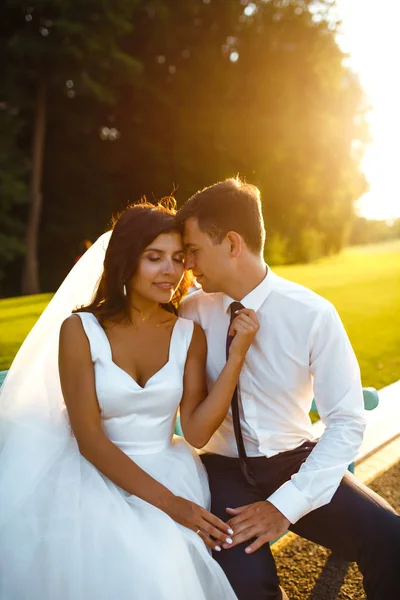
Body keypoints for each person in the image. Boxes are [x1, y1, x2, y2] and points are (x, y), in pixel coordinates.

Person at [0, 200, 261, 599]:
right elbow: (89, 438)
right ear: (126, 260)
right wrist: (174, 506)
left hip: (170, 469)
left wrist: (236, 356)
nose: (170, 271)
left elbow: (195, 430)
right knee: (139, 566)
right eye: (154, 257)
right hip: (91, 475)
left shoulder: (188, 335)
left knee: (165, 563)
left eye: (178, 258)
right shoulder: (80, 329)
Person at [178, 178, 400, 600]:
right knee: (246, 585)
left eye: (193, 251)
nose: (188, 265)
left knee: (391, 539)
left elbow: (347, 421)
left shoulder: (313, 313)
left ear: (231, 243)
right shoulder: (190, 312)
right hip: (222, 473)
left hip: (296, 463)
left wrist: (284, 507)